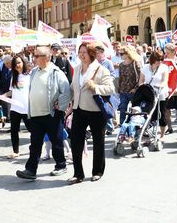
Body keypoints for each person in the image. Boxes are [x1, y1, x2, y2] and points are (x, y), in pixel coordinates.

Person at [16, 46, 71, 181]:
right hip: (35, 114)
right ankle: (31, 170)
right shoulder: (34, 71)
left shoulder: (55, 72)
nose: (33, 59)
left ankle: (61, 165)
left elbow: (66, 91)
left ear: (46, 58)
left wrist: (61, 107)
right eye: (34, 56)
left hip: (51, 113)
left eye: (36, 56)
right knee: (35, 143)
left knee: (56, 141)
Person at [69, 43, 115, 183]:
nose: (82, 54)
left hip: (95, 110)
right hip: (78, 109)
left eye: (85, 52)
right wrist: (67, 104)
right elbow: (72, 88)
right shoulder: (76, 69)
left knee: (98, 142)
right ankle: (78, 174)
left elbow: (110, 89)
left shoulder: (101, 70)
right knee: (76, 142)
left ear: (91, 54)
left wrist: (95, 87)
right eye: (80, 52)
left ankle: (98, 171)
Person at [139, 51, 169, 138]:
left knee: (161, 114)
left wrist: (160, 86)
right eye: (158, 59)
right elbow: (141, 80)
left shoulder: (164, 67)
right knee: (148, 113)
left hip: (160, 94)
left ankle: (162, 135)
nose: (160, 61)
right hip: (148, 93)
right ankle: (148, 132)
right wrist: (142, 87)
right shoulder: (145, 67)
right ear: (152, 59)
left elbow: (164, 80)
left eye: (161, 59)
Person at [7, 55, 30, 159]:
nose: (17, 65)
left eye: (19, 62)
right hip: (15, 108)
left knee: (32, 129)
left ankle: (36, 147)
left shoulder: (29, 76)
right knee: (14, 130)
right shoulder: (13, 77)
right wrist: (2, 96)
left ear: (23, 63)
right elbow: (11, 91)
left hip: (26, 108)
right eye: (15, 63)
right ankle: (15, 151)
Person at [116, 46, 141, 124]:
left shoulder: (135, 63)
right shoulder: (121, 65)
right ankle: (122, 126)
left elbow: (140, 77)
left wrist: (136, 88)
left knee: (134, 109)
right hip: (123, 91)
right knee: (122, 109)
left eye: (122, 53)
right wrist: (118, 89)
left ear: (128, 54)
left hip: (133, 91)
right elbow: (120, 78)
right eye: (120, 53)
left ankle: (133, 124)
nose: (121, 55)